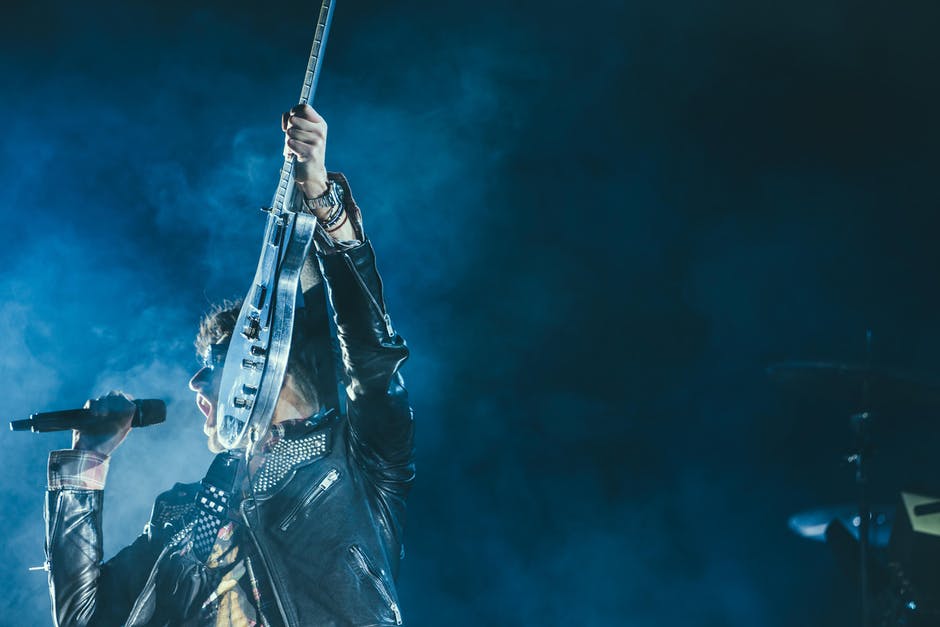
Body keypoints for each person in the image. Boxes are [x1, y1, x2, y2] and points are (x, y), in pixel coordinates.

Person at [43, 105, 414, 626]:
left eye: (217, 361)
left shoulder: (351, 458)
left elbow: (372, 361)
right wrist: (87, 460)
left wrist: (324, 205)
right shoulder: (179, 513)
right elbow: (84, 620)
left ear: (267, 366)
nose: (195, 381)